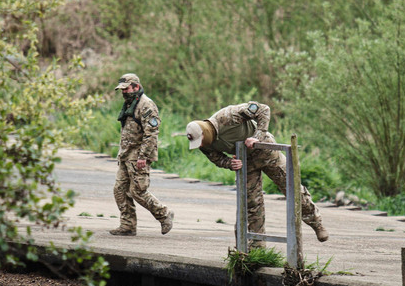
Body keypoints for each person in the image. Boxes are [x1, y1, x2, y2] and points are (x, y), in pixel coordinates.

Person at [186, 101, 329, 244]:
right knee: (251, 203)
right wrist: (230, 163)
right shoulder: (203, 145)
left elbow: (263, 109)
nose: (201, 145)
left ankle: (317, 223)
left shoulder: (228, 116)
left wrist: (258, 135)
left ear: (205, 132)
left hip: (266, 152)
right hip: (245, 161)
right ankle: (257, 247)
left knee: (292, 187)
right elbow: (216, 158)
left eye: (201, 141)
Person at [109, 73, 173, 236]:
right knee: (120, 190)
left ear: (136, 87)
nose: (124, 92)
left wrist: (143, 157)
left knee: (138, 191)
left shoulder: (146, 105)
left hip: (138, 156)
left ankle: (164, 214)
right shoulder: (130, 104)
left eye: (126, 89)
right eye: (122, 90)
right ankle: (128, 225)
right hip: (125, 154)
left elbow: (151, 134)